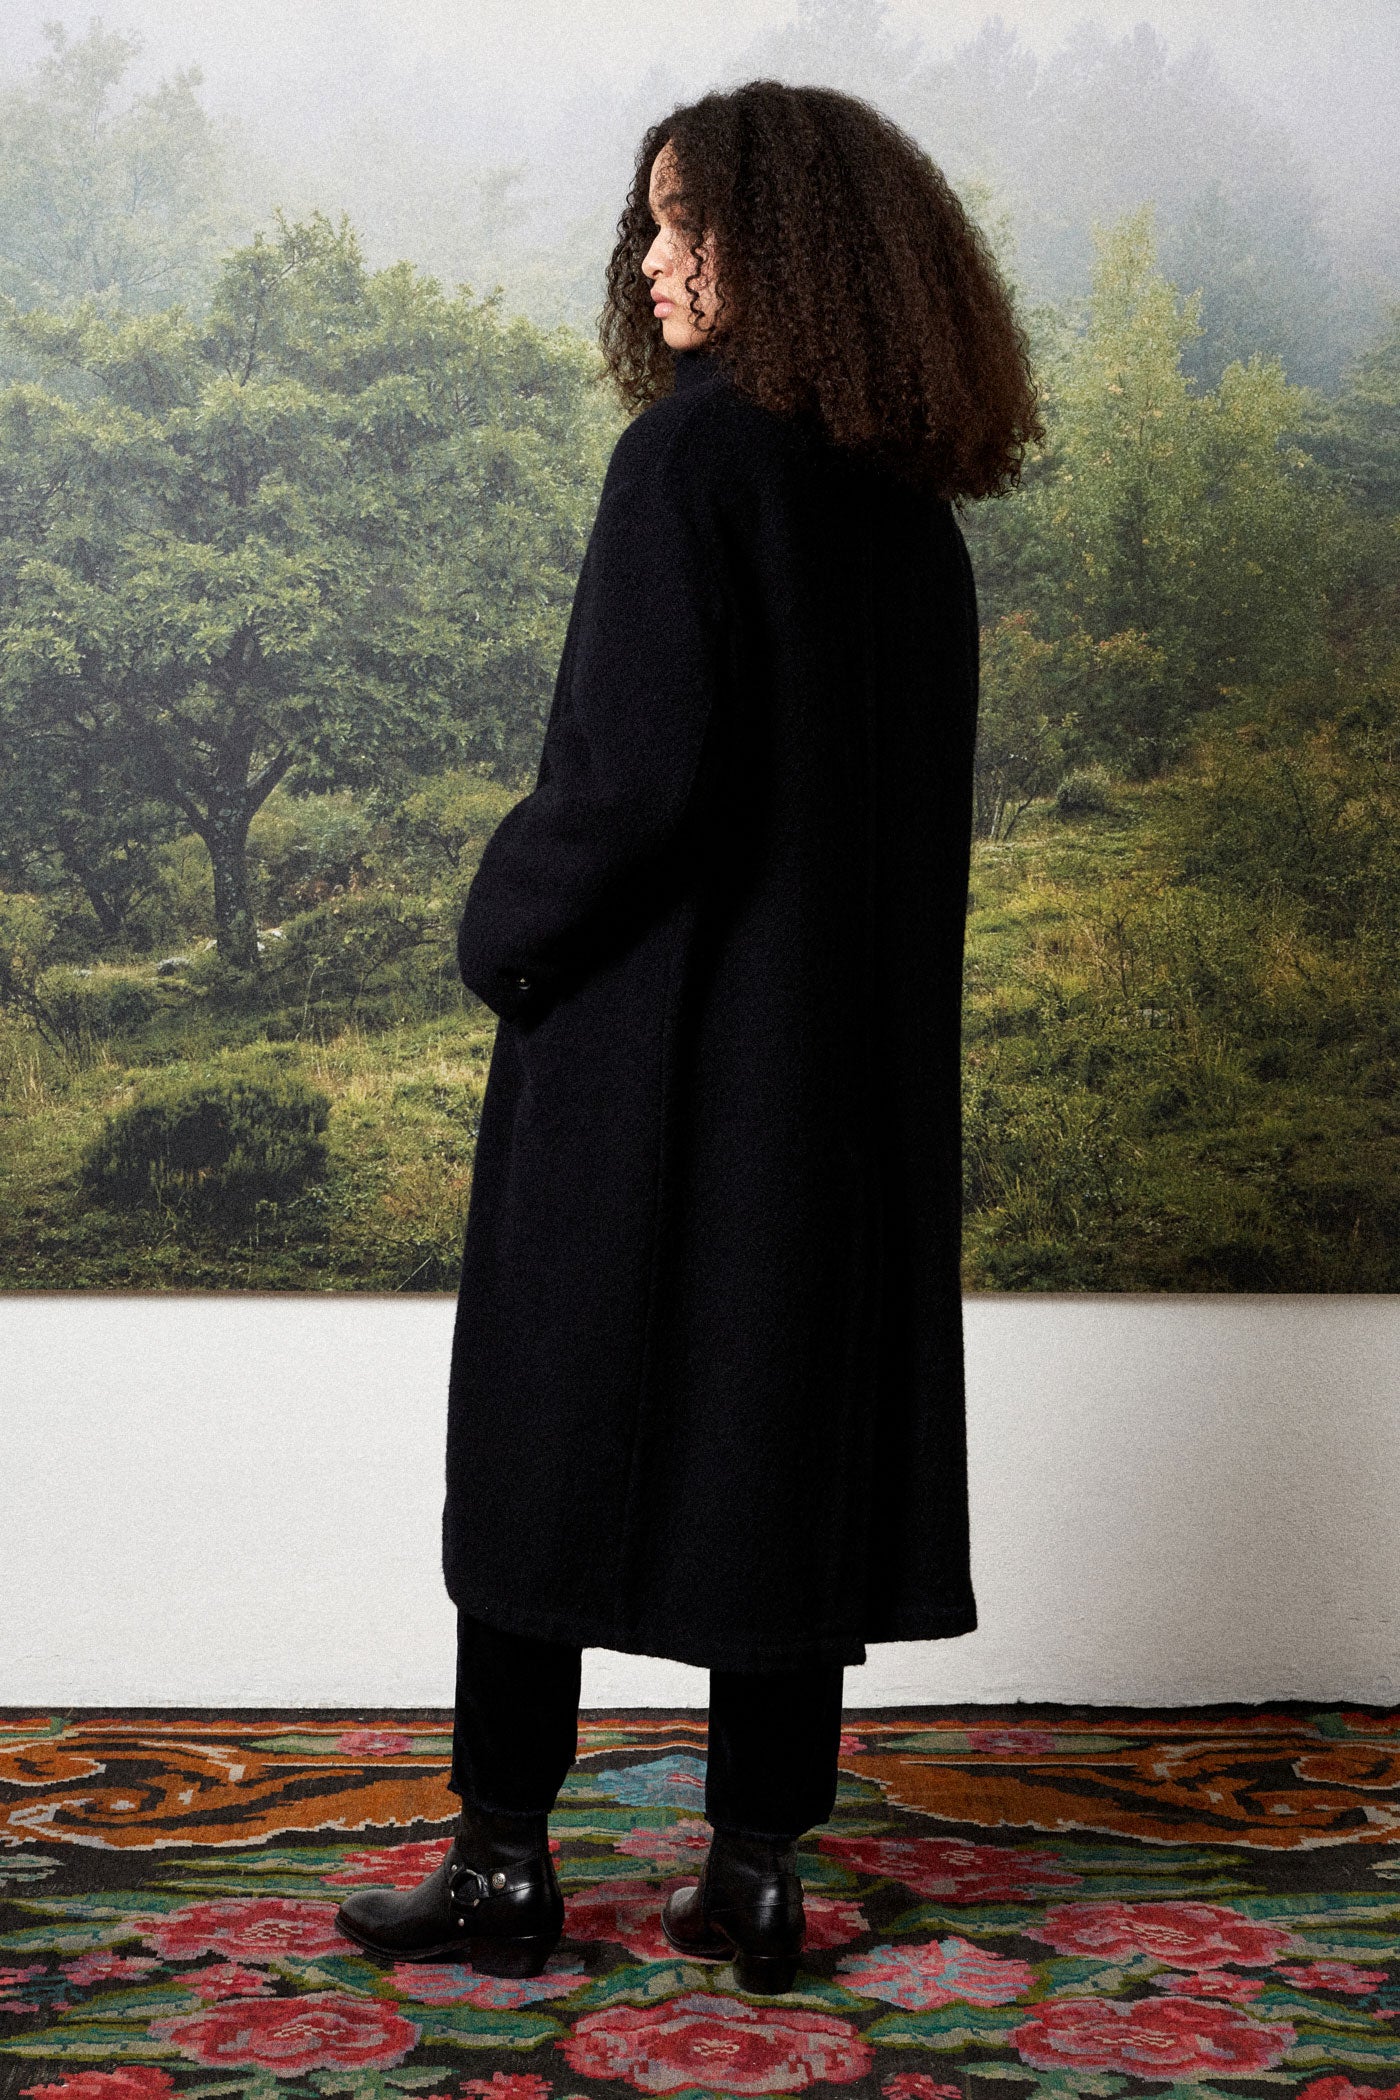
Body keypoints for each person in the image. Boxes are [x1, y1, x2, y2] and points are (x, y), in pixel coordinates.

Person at [335, 79, 1042, 1994]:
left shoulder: (689, 462)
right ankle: (754, 1874)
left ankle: (503, 1866)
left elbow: (630, 783)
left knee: (542, 1430)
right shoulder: (912, 516)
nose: (650, 261)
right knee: (784, 1438)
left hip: (647, 1059)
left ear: (780, 244)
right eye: (647, 223)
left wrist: (503, 933)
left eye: (682, 222)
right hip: (834, 1090)